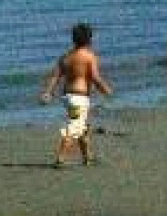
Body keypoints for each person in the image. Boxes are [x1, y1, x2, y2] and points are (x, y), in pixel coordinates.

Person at [38, 22, 114, 168]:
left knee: (82, 127)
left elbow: (55, 77)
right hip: (79, 97)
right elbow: (95, 77)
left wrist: (48, 92)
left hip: (68, 97)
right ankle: (61, 157)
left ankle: (87, 157)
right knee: (75, 126)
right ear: (89, 39)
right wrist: (105, 89)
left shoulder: (65, 57)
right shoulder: (88, 56)